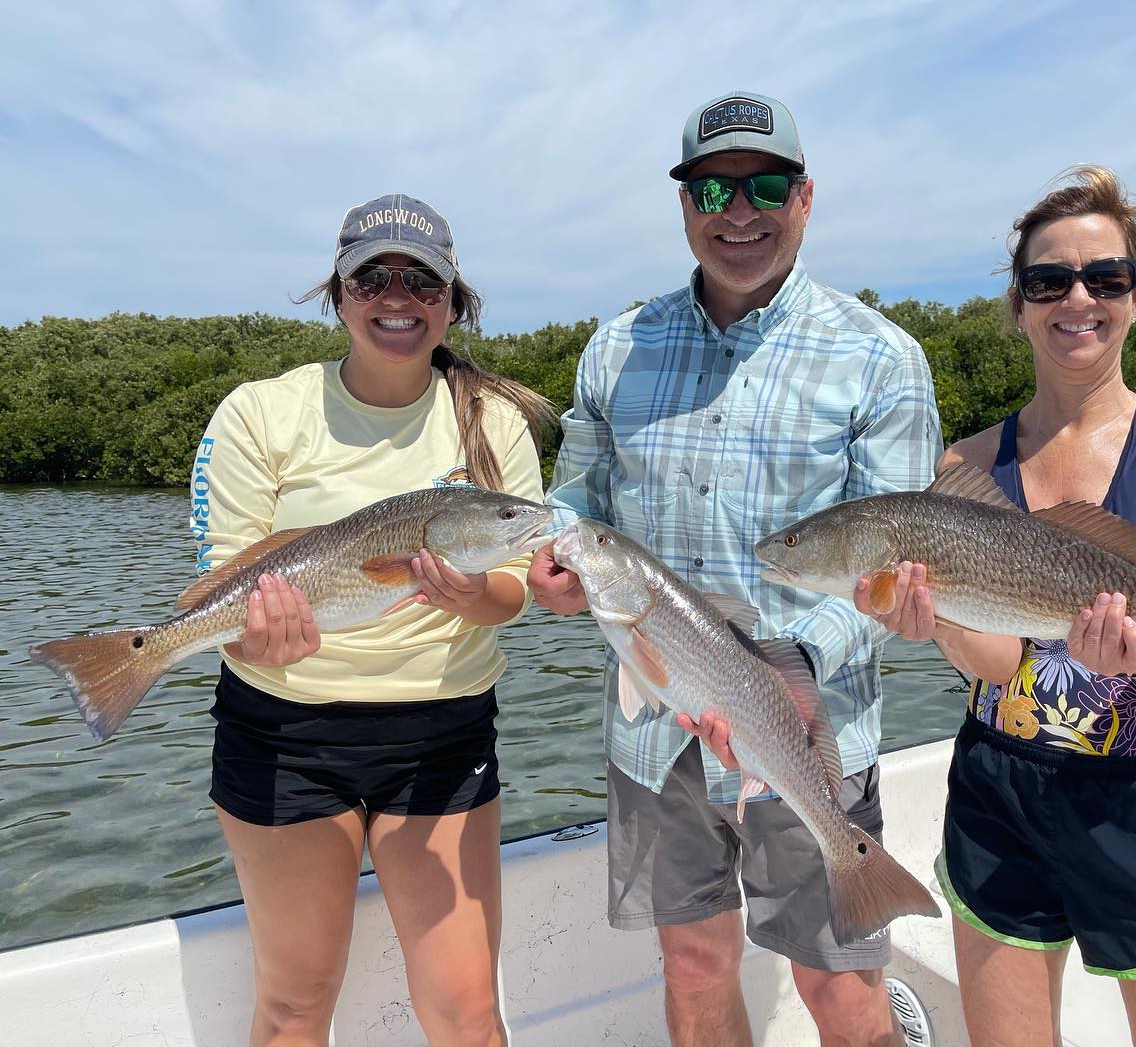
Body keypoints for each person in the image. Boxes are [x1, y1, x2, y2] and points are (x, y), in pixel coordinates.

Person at [528, 92, 943, 1046]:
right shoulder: (616, 347)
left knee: (841, 991)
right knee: (695, 962)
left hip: (810, 729)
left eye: (764, 186)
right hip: (654, 731)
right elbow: (574, 507)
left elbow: (897, 570)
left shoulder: (881, 359)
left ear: (804, 198)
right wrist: (556, 563)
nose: (738, 212)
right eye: (711, 187)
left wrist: (790, 669)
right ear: (683, 205)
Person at [856, 166, 1136, 1047]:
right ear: (1020, 302)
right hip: (1000, 789)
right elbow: (1000, 668)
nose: (1079, 298)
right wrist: (941, 619)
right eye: (1049, 280)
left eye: (1104, 278)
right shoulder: (964, 464)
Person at [190, 194, 552, 1047]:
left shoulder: (496, 421)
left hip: (442, 734)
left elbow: (516, 589)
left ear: (454, 301)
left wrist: (474, 596)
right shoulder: (259, 411)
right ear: (339, 293)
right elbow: (224, 581)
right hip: (280, 734)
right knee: (293, 1004)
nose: (399, 295)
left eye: (424, 279)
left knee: (467, 1011)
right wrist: (255, 635)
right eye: (374, 276)